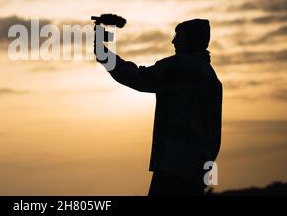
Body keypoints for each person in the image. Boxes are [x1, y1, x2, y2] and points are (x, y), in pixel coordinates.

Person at [95, 19, 222, 196]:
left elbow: (138, 78)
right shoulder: (211, 77)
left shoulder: (179, 66)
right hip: (196, 170)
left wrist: (103, 54)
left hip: (173, 168)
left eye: (179, 36)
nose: (174, 41)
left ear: (191, 39)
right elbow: (214, 134)